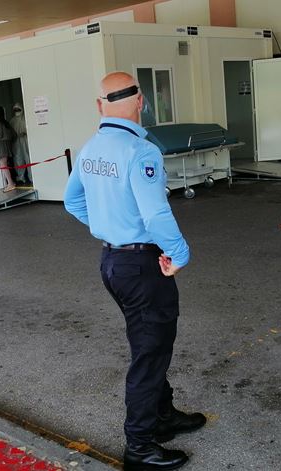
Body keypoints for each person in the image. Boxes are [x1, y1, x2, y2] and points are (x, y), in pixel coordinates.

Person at [63, 72, 205, 471]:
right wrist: (179, 253)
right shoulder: (140, 151)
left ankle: (162, 416)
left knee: (147, 344)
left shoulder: (90, 148)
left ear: (100, 105)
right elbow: (156, 213)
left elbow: (72, 201)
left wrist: (109, 225)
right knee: (149, 353)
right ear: (141, 101)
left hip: (113, 262)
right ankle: (140, 446)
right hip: (143, 266)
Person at [10, 103, 31, 185]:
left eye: (18, 109)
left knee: (28, 158)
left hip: (25, 141)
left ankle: (31, 177)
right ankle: (21, 177)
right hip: (16, 143)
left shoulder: (26, 118)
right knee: (18, 160)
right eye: (15, 110)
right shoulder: (12, 121)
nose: (17, 111)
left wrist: (25, 133)